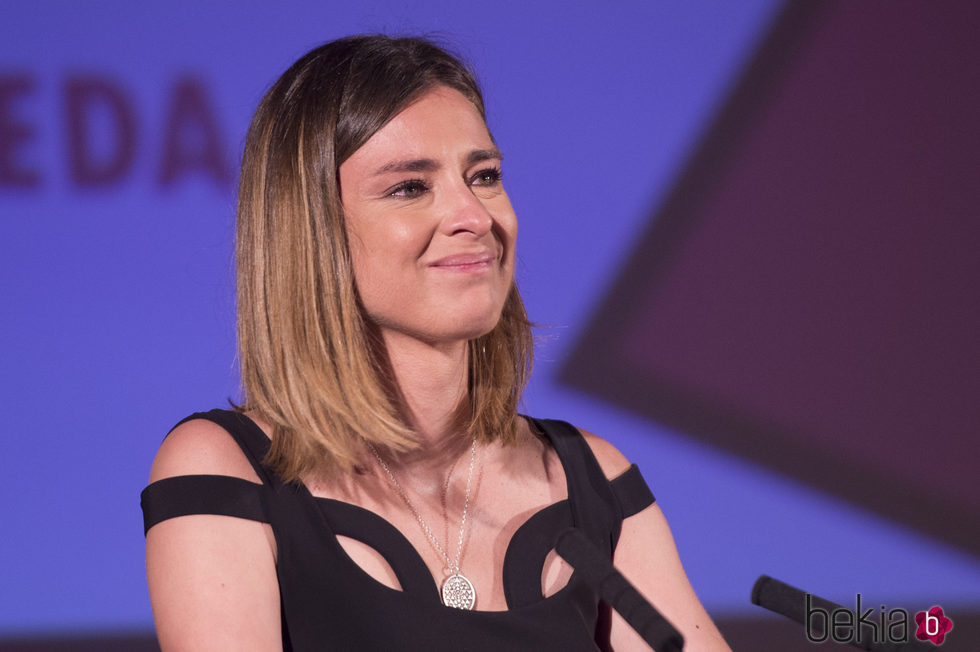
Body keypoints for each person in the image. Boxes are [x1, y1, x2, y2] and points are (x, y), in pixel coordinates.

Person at [141, 35, 730, 651]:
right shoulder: (225, 469)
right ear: (312, 232)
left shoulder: (591, 478)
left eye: (485, 176)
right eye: (409, 187)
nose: (474, 216)